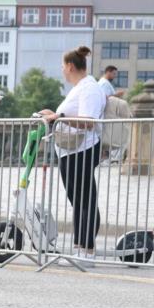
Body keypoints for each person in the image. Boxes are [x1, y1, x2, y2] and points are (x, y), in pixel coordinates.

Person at [39, 46, 107, 266]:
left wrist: (58, 116)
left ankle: (86, 252)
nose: (62, 71)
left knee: (85, 200)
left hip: (82, 150)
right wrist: (56, 116)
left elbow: (88, 121)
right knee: (79, 201)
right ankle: (80, 249)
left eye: (62, 67)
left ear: (69, 66)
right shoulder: (80, 88)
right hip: (72, 151)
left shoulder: (89, 88)